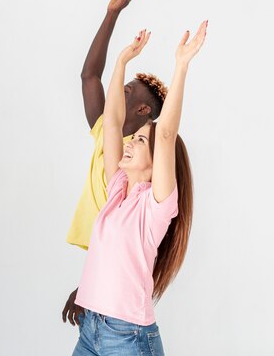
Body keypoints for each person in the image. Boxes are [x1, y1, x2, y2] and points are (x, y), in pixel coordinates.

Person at [71, 22, 207, 356]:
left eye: (140, 141)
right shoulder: (118, 189)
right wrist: (121, 63)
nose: (130, 144)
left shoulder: (156, 206)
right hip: (91, 329)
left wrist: (182, 64)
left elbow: (165, 134)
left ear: (157, 160)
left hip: (127, 336)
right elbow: (114, 122)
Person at [63, 0, 169, 326]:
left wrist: (85, 287)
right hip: (101, 271)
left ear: (143, 111)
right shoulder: (104, 136)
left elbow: (122, 241)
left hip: (114, 284)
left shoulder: (137, 162)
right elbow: (89, 76)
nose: (114, 94)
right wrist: (112, 14)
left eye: (124, 92)